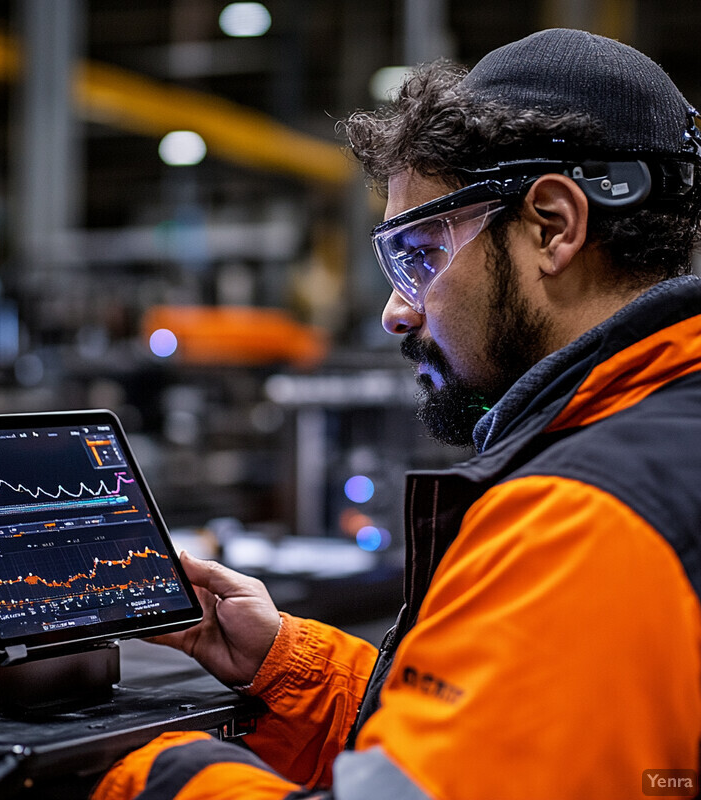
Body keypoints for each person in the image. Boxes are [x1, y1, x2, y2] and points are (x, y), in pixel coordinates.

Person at [92, 28, 701, 800]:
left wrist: (152, 777)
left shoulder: (584, 520)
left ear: (553, 226)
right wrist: (293, 671)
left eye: (421, 254)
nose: (394, 312)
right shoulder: (666, 434)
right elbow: (511, 758)